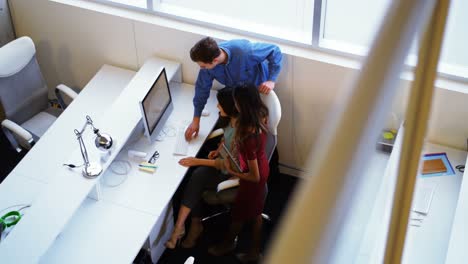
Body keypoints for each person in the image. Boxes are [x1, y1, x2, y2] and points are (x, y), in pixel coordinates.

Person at [165, 87, 239, 249]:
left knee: (196, 175)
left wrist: (197, 160)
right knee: (194, 175)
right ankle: (192, 224)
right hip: (222, 161)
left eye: (220, 105)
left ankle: (181, 227)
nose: (218, 107)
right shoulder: (230, 121)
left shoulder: (241, 131)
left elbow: (227, 164)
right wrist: (218, 150)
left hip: (231, 173)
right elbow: (225, 139)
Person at [208, 84, 270, 262]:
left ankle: (231, 245)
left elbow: (254, 176)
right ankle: (254, 252)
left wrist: (231, 170)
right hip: (263, 164)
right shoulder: (262, 113)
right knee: (256, 213)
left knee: (239, 215)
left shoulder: (248, 137)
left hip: (253, 179)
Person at [185, 37, 282, 141]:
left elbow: (274, 50)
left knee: (251, 137)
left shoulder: (245, 51)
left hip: (257, 97)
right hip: (238, 98)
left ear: (215, 60)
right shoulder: (209, 65)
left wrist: (272, 80)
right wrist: (196, 120)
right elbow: (201, 90)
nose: (202, 69)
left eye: (203, 66)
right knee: (224, 130)